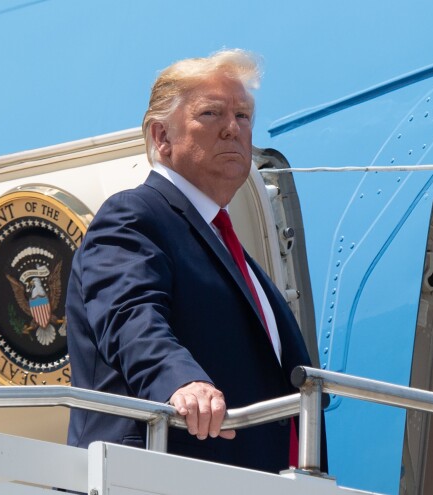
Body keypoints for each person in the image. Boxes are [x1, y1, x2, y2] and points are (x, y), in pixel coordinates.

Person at [65, 49, 324, 473]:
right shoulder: (133, 217)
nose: (232, 129)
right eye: (211, 114)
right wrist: (179, 380)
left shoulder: (234, 253)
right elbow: (129, 316)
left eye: (243, 116)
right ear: (161, 136)